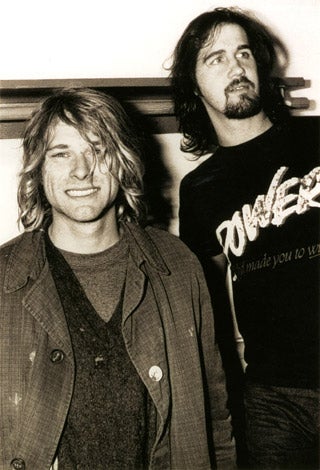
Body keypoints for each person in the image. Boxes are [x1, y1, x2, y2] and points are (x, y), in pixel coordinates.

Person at [0, 87, 236, 470]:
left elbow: (215, 419)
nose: (82, 170)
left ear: (123, 160)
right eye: (62, 154)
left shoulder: (178, 267)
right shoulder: (4, 280)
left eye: (98, 149)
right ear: (39, 170)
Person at [170, 6, 320, 469]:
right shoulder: (198, 190)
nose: (235, 67)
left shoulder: (317, 137)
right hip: (273, 401)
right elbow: (206, 311)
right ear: (193, 85)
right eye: (215, 58)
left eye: (243, 54)